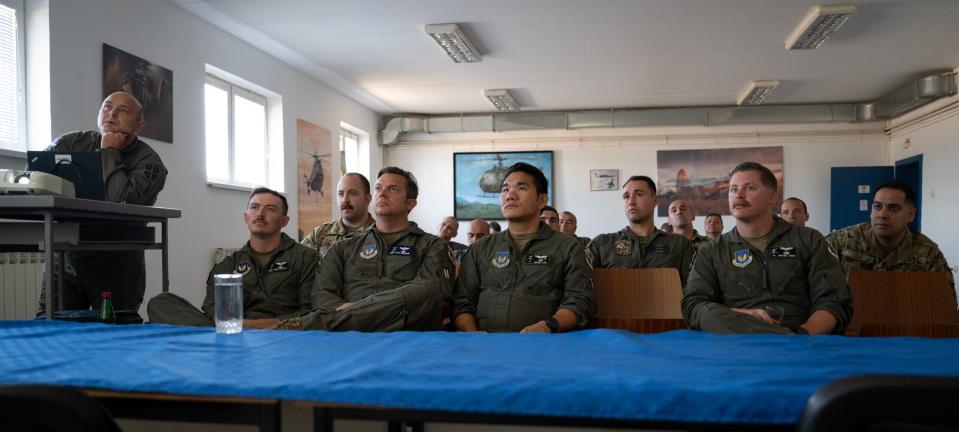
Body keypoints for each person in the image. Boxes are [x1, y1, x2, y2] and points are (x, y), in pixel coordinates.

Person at [274, 167, 453, 331]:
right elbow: (323, 295)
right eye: (378, 188)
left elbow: (427, 294)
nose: (382, 193)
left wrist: (353, 311)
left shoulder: (432, 246)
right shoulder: (343, 247)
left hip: (404, 333)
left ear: (410, 203)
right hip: (348, 336)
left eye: (393, 189)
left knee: (427, 290)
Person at [682, 162, 851, 335]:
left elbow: (834, 300)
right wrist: (742, 315)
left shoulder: (809, 239)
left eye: (750, 188)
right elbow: (694, 306)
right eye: (733, 189)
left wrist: (803, 334)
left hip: (800, 337)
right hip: (734, 337)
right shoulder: (711, 251)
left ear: (772, 197)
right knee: (706, 312)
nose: (738, 195)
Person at [39, 91, 168, 314]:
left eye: (123, 111)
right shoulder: (73, 142)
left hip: (116, 263)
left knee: (116, 334)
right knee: (51, 327)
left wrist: (108, 151)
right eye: (107, 107)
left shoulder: (149, 162)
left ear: (139, 125)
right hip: (66, 256)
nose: (112, 114)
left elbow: (120, 199)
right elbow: (36, 175)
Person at [453, 163, 595, 333]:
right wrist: (472, 334)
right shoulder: (481, 248)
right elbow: (462, 302)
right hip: (484, 345)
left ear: (541, 200)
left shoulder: (568, 247)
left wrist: (548, 326)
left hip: (545, 345)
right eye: (505, 190)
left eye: (521, 188)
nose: (510, 195)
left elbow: (579, 302)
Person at [147, 188, 320, 328]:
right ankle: (213, 336)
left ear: (284, 221)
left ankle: (206, 338)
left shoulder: (306, 257)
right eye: (254, 207)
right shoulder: (229, 264)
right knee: (161, 302)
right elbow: (212, 308)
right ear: (246, 217)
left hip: (283, 332)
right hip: (233, 330)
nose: (260, 213)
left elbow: (311, 310)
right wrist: (231, 324)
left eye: (270, 209)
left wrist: (257, 325)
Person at [826, 181, 953, 287]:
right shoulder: (841, 241)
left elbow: (944, 305)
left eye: (894, 208)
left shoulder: (929, 254)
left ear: (911, 215)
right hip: (848, 315)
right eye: (877, 207)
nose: (882, 215)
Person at [588, 176, 695, 286]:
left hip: (667, 303)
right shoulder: (601, 244)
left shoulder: (679, 244)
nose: (631, 202)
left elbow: (693, 290)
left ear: (655, 200)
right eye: (626, 196)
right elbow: (582, 287)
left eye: (638, 194)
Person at [301, 173, 375, 258]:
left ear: (367, 199)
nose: (345, 200)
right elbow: (298, 261)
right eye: (341, 194)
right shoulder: (320, 234)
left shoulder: (378, 235)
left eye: (352, 193)